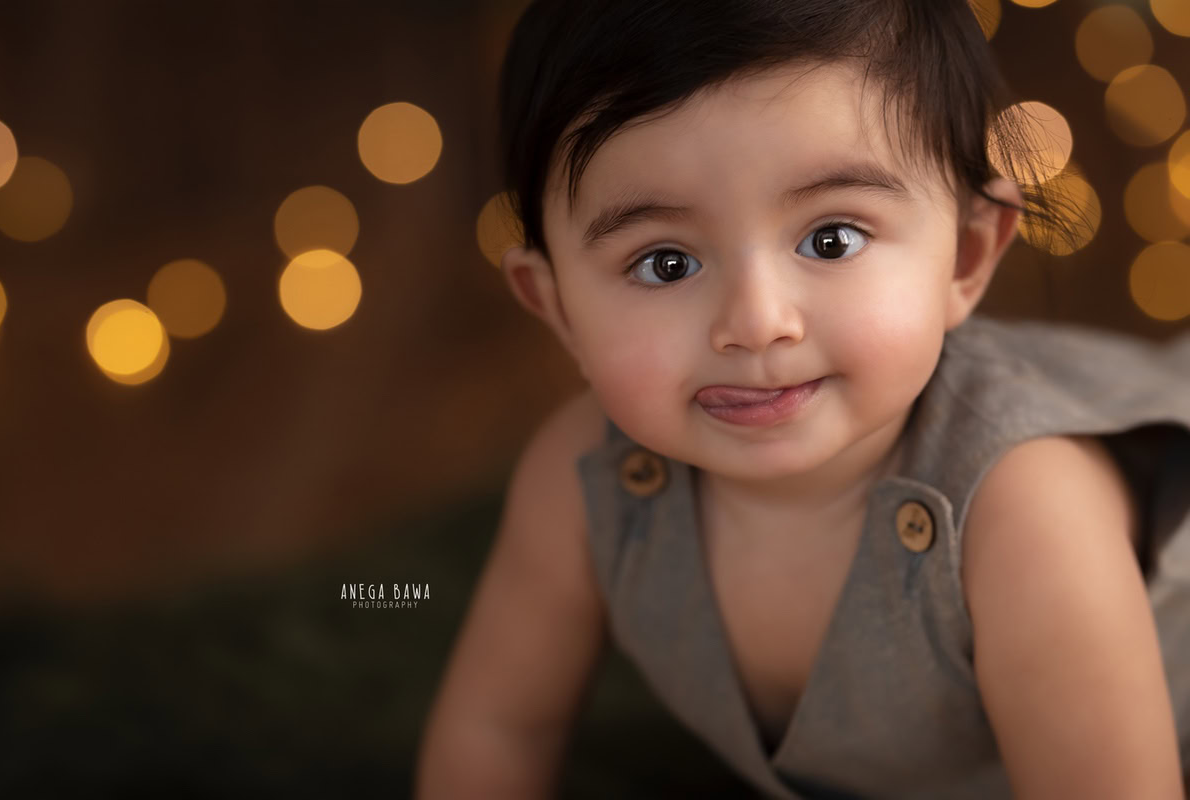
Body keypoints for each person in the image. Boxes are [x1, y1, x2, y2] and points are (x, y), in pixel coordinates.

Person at [416, 0, 1190, 797]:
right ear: (557, 309)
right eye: (666, 263)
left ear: (965, 255)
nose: (755, 324)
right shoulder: (586, 482)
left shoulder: (1026, 510)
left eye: (832, 239)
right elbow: (501, 728)